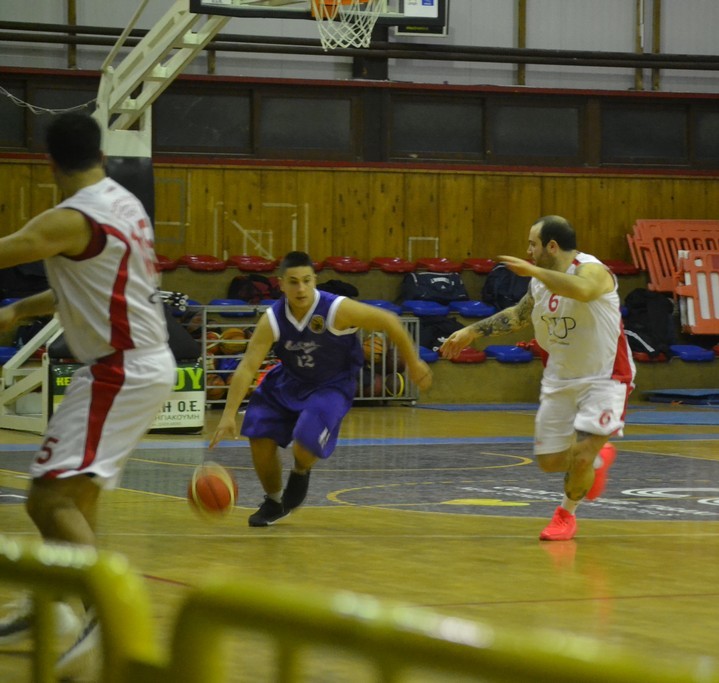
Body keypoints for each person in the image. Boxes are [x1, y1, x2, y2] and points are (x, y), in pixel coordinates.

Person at [0, 113, 175, 673]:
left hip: (120, 369)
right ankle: (51, 604)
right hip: (136, 364)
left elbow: (15, 247)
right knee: (74, 500)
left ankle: (105, 616)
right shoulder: (125, 203)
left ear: (48, 163)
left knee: (47, 499)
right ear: (101, 155)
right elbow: (80, 287)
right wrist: (18, 309)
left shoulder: (70, 218)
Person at [440, 215, 635, 542]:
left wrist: (533, 271)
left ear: (552, 246)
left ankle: (566, 514)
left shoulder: (593, 270)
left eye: (533, 245)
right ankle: (598, 459)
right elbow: (519, 315)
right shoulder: (540, 283)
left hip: (605, 377)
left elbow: (584, 290)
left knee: (580, 457)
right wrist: (471, 332)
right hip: (561, 377)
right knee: (551, 460)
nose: (528, 251)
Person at [210, 251, 432, 527]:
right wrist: (228, 414)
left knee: (305, 443)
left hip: (331, 385)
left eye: (306, 280)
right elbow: (247, 366)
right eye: (293, 282)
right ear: (281, 284)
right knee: (258, 436)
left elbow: (389, 321)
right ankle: (274, 501)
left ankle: (300, 471)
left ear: (314, 280)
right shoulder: (273, 318)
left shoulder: (336, 309)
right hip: (288, 381)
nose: (301, 289)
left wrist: (414, 362)